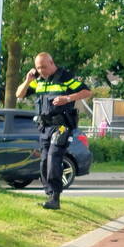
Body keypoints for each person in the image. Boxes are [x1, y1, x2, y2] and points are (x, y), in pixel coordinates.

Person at [16, 52, 92, 210]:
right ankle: (50, 194)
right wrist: (28, 80)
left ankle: (55, 197)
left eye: (43, 66)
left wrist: (68, 98)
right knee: (44, 161)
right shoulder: (38, 81)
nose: (41, 70)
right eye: (38, 67)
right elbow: (19, 94)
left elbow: (87, 92)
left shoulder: (64, 77)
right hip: (45, 127)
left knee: (53, 157)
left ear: (51, 63)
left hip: (62, 126)